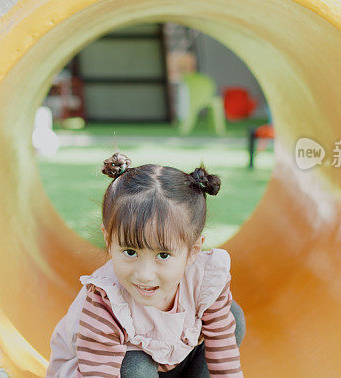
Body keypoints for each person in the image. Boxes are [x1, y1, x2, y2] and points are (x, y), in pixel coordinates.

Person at [47, 152, 245, 377]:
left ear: (193, 251)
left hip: (169, 362)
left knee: (232, 316)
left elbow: (224, 357)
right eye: (130, 252)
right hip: (104, 367)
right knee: (134, 365)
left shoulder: (205, 280)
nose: (144, 275)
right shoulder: (105, 301)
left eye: (163, 255)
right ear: (109, 240)